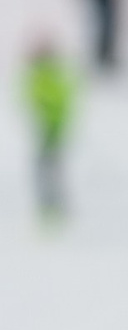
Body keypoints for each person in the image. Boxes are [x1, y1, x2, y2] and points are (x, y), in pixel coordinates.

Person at [22, 38, 75, 221]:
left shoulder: (48, 76)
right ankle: (48, 205)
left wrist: (53, 121)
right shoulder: (42, 75)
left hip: (52, 129)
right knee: (47, 168)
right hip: (46, 129)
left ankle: (54, 205)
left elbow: (60, 102)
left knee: (50, 168)